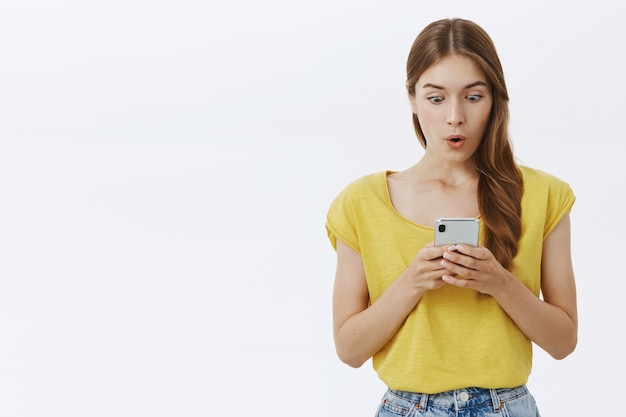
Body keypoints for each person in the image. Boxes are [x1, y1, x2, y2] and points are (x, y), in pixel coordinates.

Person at [325, 18, 577, 416]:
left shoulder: (544, 195)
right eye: (436, 98)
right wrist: (412, 282)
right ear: (412, 98)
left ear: (495, 98)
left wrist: (499, 283)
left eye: (473, 96)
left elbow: (563, 342)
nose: (455, 117)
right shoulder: (361, 203)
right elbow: (349, 349)